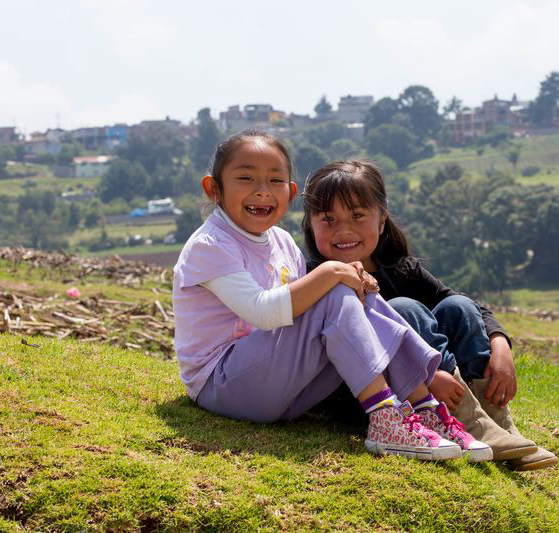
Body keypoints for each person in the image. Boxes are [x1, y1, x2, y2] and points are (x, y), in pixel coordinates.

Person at [172, 130, 492, 462]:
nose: (262, 191)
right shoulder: (210, 245)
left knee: (354, 295)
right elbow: (262, 313)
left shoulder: (281, 242)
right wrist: (332, 272)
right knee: (337, 286)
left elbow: (308, 317)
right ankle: (384, 417)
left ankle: (424, 409)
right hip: (221, 385)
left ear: (290, 192)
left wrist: (343, 281)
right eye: (245, 178)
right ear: (214, 189)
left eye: (275, 180)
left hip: (278, 387)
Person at [302, 159, 558, 471]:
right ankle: (471, 426)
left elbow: (461, 303)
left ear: (381, 220)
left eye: (357, 215)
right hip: (368, 399)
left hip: (436, 387)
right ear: (310, 224)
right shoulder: (316, 280)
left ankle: (498, 425)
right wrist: (422, 375)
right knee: (405, 311)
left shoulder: (400, 270)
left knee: (458, 308)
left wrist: (500, 342)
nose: (344, 230)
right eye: (328, 219)